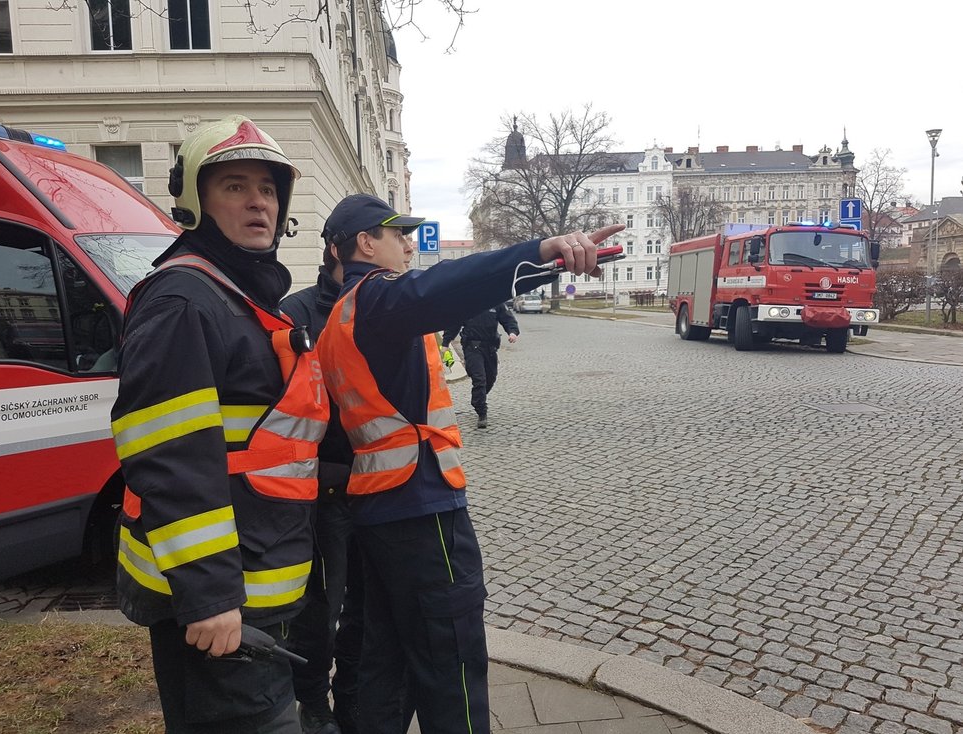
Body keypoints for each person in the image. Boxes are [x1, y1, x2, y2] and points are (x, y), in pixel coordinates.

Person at [314, 192, 621, 734]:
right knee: (451, 667)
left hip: (379, 506)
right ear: (365, 243)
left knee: (385, 660)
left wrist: (545, 266)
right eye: (398, 235)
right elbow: (450, 285)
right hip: (421, 509)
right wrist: (542, 248)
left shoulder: (343, 312)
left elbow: (452, 293)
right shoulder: (380, 299)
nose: (409, 246)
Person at [111, 115, 329, 734]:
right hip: (225, 606)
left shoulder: (239, 294)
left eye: (267, 187)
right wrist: (209, 596)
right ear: (195, 203)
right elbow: (170, 455)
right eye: (234, 186)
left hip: (258, 584)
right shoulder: (186, 300)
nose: (257, 201)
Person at [280, 243, 360, 734]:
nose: (408, 248)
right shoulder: (297, 311)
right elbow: (285, 412)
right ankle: (313, 703)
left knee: (370, 606)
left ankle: (354, 699)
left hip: (384, 489)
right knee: (320, 609)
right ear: (343, 248)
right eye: (393, 236)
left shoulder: (388, 307)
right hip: (325, 495)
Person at [441, 303, 520, 429]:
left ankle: (478, 398)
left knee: (490, 378)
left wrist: (512, 332)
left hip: (490, 348)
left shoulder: (497, 302)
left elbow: (508, 319)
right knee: (479, 379)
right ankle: (481, 412)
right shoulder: (468, 302)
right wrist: (445, 343)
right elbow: (454, 324)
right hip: (472, 348)